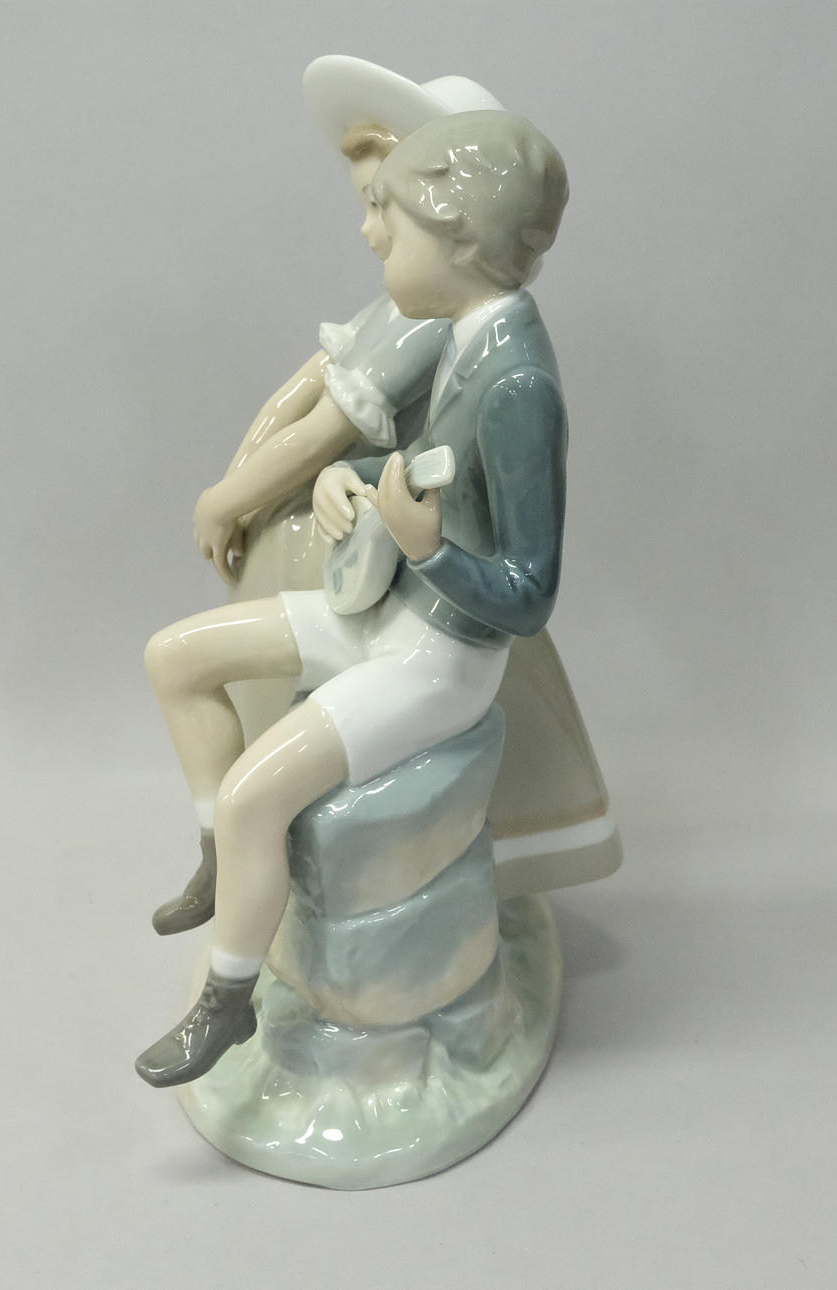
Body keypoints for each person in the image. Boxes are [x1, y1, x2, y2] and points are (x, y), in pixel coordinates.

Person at [138, 110, 571, 1088]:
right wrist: (353, 476)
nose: (373, 237)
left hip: (440, 658)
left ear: (461, 242)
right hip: (386, 613)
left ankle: (228, 1000)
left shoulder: (518, 385)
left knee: (257, 793)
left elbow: (529, 593)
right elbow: (430, 466)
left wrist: (429, 552)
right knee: (176, 659)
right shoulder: (465, 338)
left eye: (395, 221)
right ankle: (222, 859)